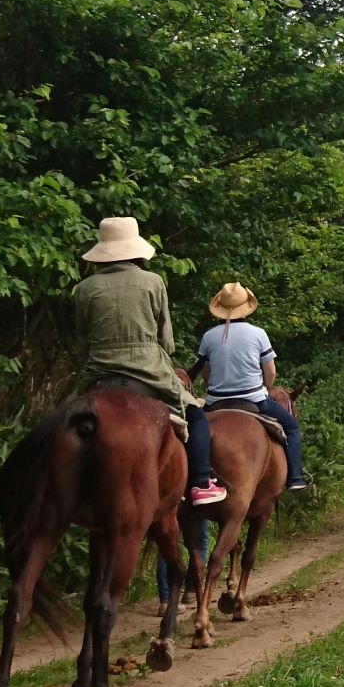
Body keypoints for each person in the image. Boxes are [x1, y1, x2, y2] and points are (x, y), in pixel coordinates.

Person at [72, 216, 226, 505]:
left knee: (63, 421)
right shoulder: (152, 282)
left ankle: (64, 493)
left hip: (98, 375)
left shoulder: (85, 289)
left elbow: (83, 339)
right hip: (149, 372)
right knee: (195, 415)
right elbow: (166, 341)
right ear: (135, 249)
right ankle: (201, 482)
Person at [192, 282, 309, 492]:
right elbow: (270, 371)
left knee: (192, 428)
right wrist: (265, 388)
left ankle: (194, 481)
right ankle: (295, 477)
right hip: (254, 399)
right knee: (291, 426)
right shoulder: (258, 333)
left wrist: (214, 387)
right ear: (246, 308)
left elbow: (205, 372)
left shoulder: (208, 336)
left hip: (215, 401)